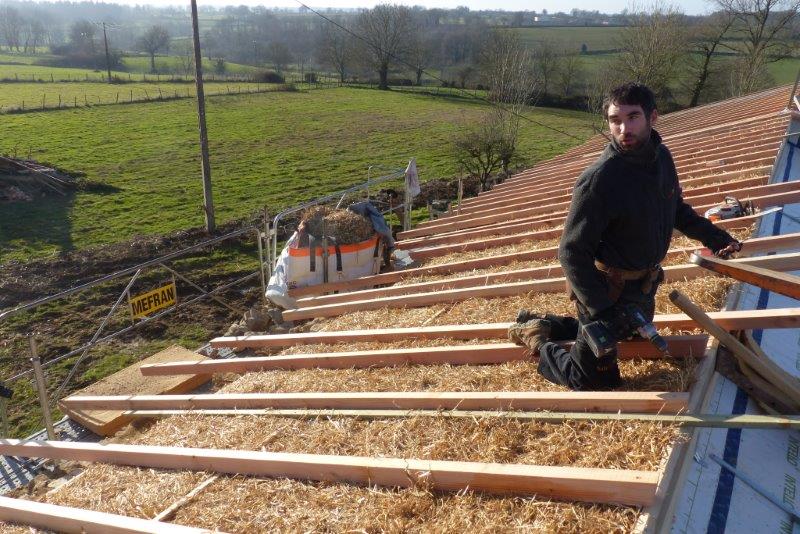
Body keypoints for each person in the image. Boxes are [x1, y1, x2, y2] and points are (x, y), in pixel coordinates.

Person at [509, 82, 742, 391]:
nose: (623, 128)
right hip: (608, 291)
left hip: (642, 289)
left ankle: (553, 324)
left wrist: (715, 237)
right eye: (615, 120)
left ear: (653, 117)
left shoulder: (662, 160)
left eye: (632, 117)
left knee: (626, 333)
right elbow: (571, 252)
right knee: (593, 381)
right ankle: (537, 337)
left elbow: (675, 209)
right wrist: (601, 308)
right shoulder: (601, 180)